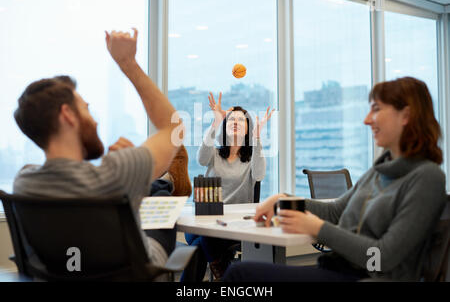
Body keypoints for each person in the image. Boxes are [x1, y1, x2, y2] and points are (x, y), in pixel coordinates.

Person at [223, 77, 447, 282]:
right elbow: (335, 213)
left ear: (406, 116)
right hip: (338, 271)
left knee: (239, 276)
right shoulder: (379, 171)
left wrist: (319, 229)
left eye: (376, 109)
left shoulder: (427, 178)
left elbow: (382, 259)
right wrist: (284, 200)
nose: (367, 120)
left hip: (366, 278)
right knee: (239, 274)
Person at [13, 29, 190, 280]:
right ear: (67, 115)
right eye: (86, 109)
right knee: (160, 196)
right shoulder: (117, 170)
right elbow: (174, 127)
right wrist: (127, 63)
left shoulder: (24, 181)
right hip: (141, 273)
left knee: (154, 191)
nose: (95, 121)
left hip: (68, 270)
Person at [182, 93, 274, 281]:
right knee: (203, 234)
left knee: (199, 246)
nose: (235, 121)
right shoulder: (214, 153)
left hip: (233, 225)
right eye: (231, 118)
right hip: (203, 220)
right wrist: (216, 122)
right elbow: (200, 159)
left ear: (248, 129)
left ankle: (217, 272)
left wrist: (257, 139)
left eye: (241, 120)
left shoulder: (251, 159)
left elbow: (259, 175)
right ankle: (223, 273)